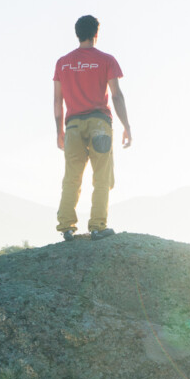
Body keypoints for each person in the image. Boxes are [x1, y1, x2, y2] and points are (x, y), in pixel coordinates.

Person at [53, 14, 133, 240]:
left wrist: (59, 130)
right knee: (102, 176)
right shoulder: (106, 60)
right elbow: (116, 96)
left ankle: (66, 227)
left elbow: (58, 101)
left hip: (73, 126)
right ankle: (97, 226)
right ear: (96, 33)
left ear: (77, 34)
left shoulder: (62, 63)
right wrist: (126, 125)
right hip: (99, 123)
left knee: (72, 177)